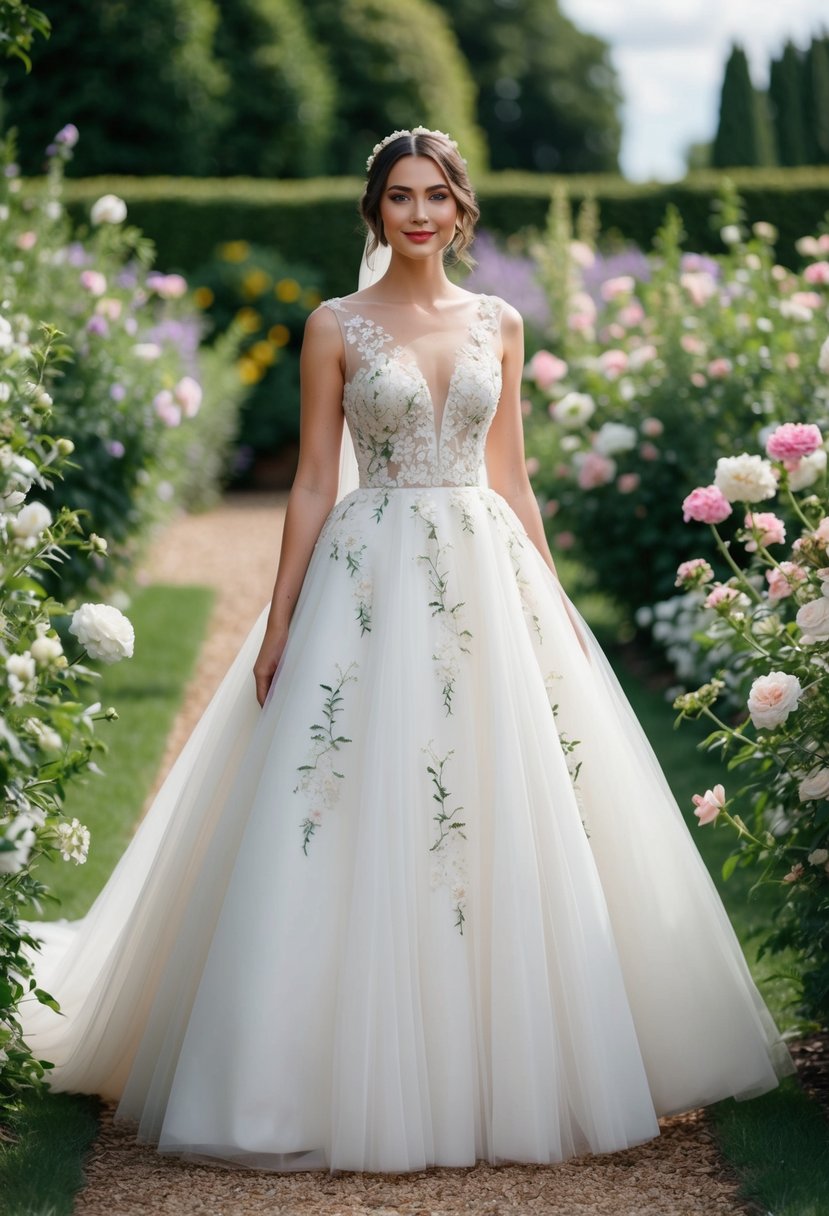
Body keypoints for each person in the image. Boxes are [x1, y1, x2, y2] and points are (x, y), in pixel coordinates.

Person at [25, 127, 794, 1174]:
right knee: (349, 790)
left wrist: (553, 597)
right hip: (369, 569)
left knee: (503, 793)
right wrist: (283, 615)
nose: (420, 213)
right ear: (374, 211)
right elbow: (308, 479)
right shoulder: (333, 325)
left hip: (488, 568)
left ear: (462, 208)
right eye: (400, 196)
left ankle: (507, 1052)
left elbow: (513, 475)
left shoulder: (501, 322)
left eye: (436, 195)